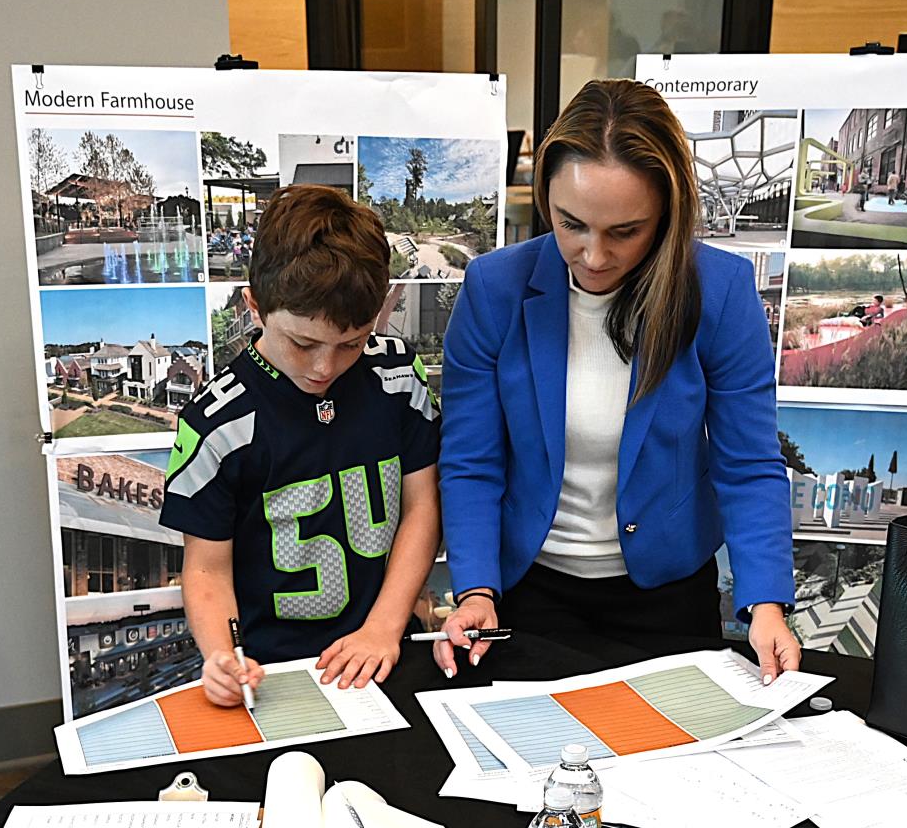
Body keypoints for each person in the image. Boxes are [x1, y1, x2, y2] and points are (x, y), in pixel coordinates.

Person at [434, 78, 798, 681]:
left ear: (667, 213)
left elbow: (748, 463)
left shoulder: (721, 292)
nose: (595, 255)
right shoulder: (494, 289)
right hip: (531, 591)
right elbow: (472, 459)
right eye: (570, 223)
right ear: (543, 193)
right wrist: (476, 588)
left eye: (625, 231)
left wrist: (765, 603)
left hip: (668, 594)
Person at [160, 184, 442, 707]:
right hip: (275, 671)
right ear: (254, 307)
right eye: (303, 343)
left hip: (382, 648)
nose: (324, 368)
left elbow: (422, 506)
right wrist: (225, 655)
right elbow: (205, 567)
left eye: (352, 344)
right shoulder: (217, 420)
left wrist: (384, 625)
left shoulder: (399, 375)